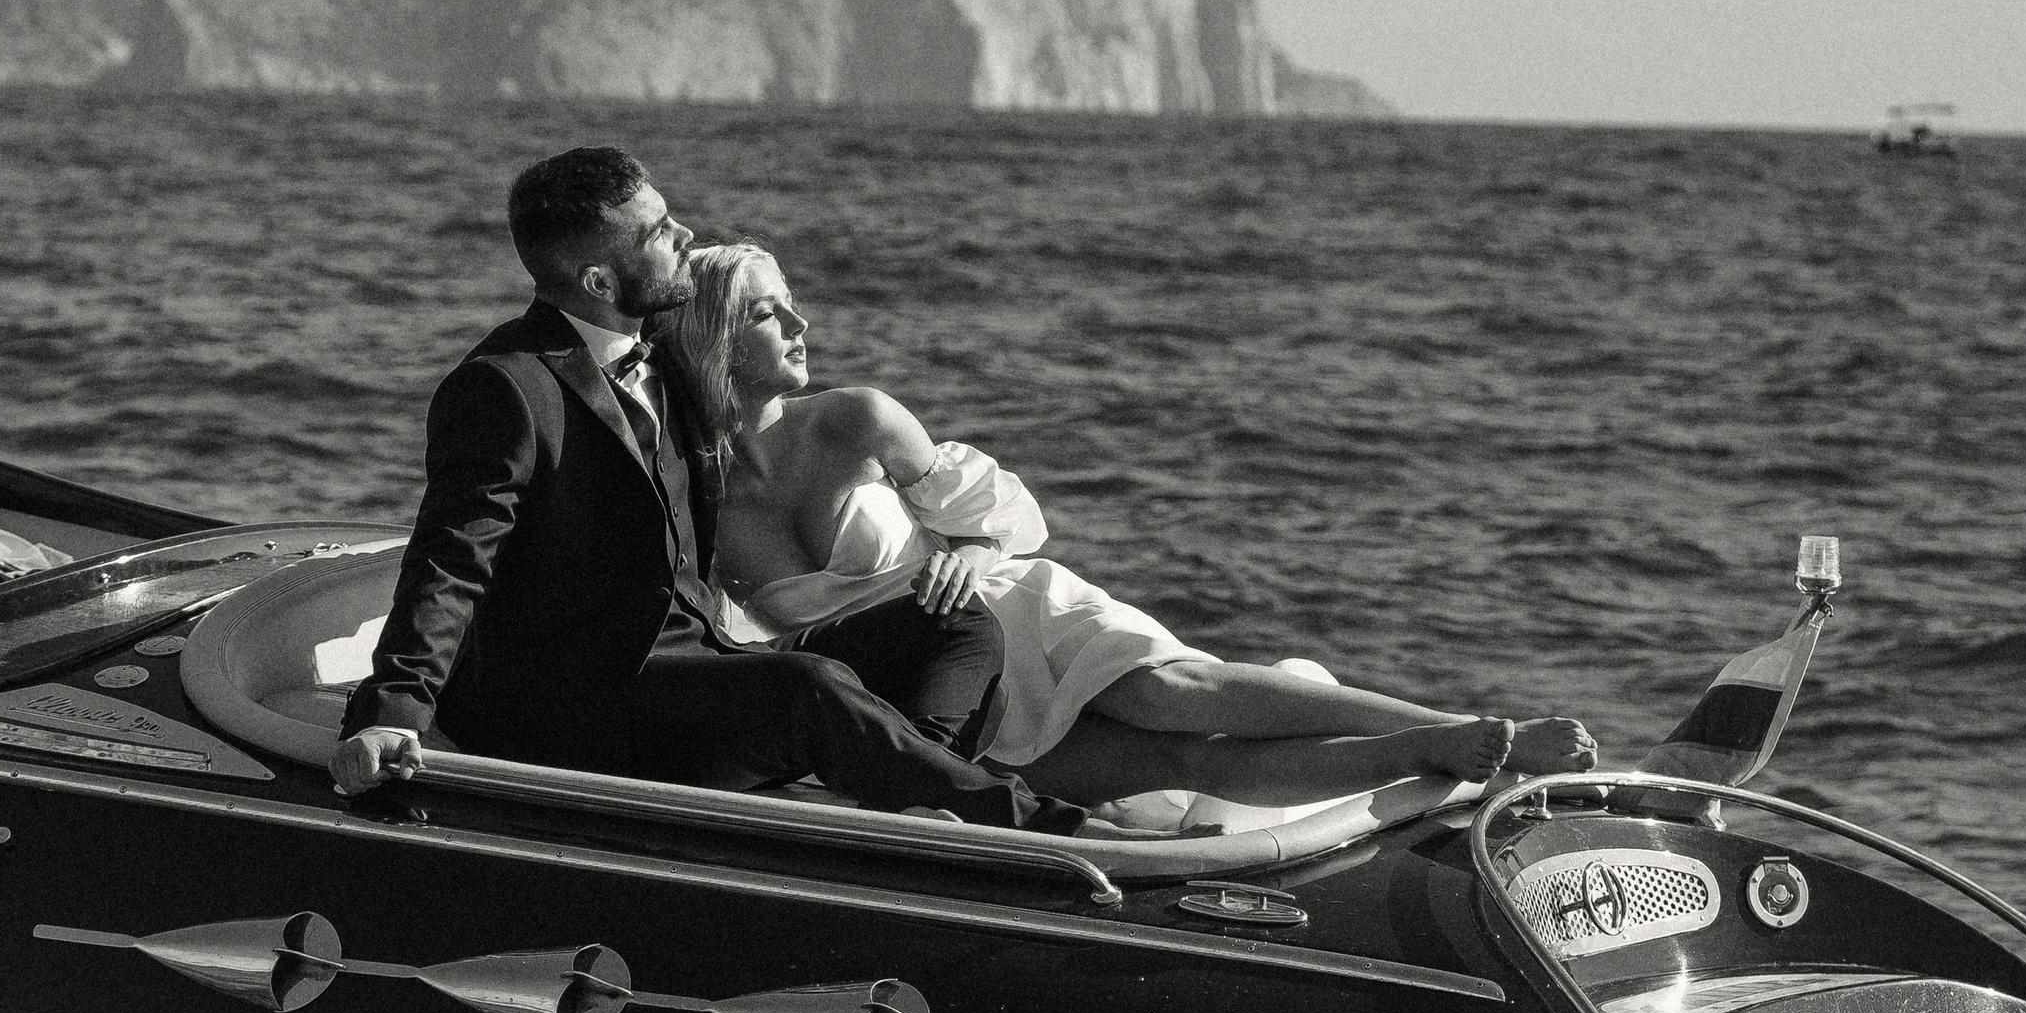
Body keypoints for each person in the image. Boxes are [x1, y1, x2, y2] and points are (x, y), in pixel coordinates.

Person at [661, 241, 1596, 817]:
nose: (800, 320)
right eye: (766, 310)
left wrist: (972, 557)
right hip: (927, 693)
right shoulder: (695, 494)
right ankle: (1426, 757)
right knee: (1167, 760)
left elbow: (1003, 521)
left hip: (1004, 610)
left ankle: (1466, 731)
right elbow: (734, 642)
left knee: (1181, 691)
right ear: (713, 337)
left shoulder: (856, 418)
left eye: (792, 300)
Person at [331, 148, 1053, 823]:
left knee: (951, 624)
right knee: (808, 689)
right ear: (599, 282)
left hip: (692, 661)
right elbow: (451, 558)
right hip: (580, 705)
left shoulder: (663, 368)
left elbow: (748, 371)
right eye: (657, 230)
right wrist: (394, 706)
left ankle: (917, 802)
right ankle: (1025, 826)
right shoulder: (506, 389)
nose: (686, 235)